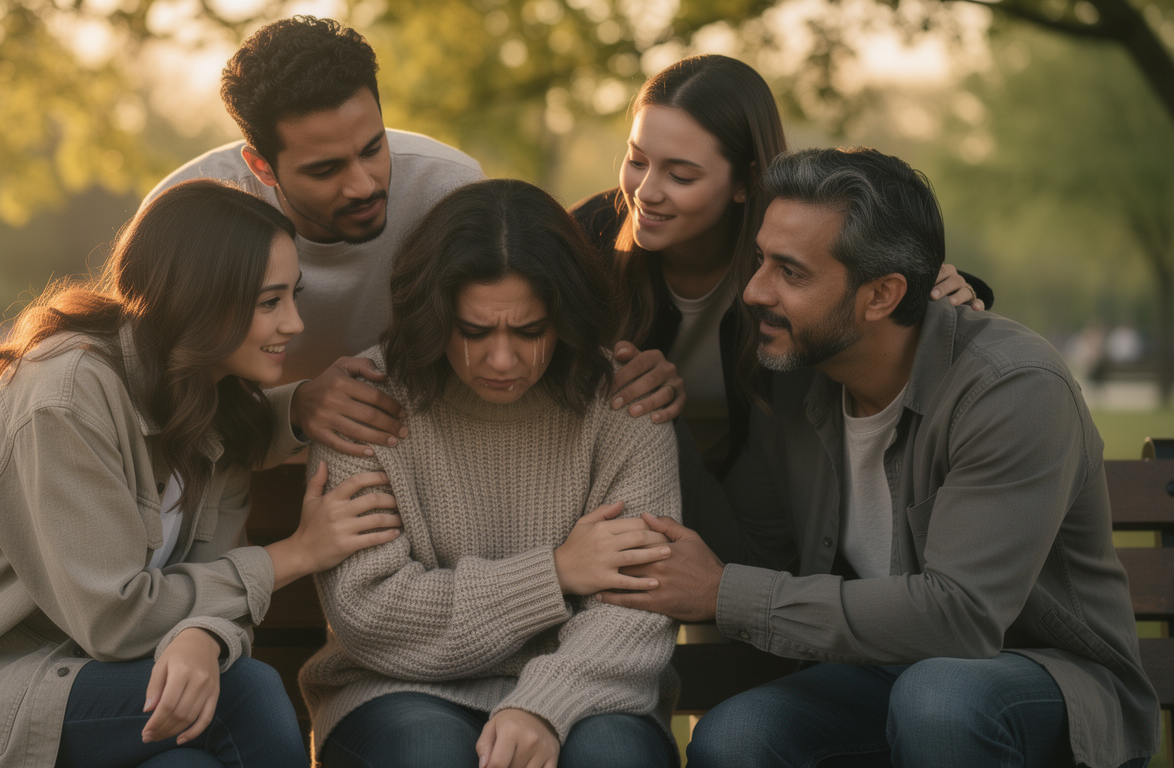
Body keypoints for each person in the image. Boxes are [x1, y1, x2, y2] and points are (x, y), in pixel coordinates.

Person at [598, 148, 1159, 768]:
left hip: (1045, 678)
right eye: (761, 260)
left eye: (790, 272)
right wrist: (658, 421)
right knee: (737, 737)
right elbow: (750, 556)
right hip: (882, 671)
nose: (754, 291)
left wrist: (727, 593)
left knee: (940, 699)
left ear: (882, 295)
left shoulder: (1013, 388)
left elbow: (961, 618)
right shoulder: (792, 381)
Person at [0, 179, 403, 768]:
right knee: (247, 694)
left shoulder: (219, 404)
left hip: (92, 686)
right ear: (197, 298)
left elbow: (216, 585)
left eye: (293, 296)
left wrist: (202, 636)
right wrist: (295, 554)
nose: (294, 324)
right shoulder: (65, 397)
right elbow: (114, 619)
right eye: (269, 302)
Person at [299, 179, 681, 768]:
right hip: (398, 691)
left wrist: (543, 704)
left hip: (591, 692)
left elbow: (638, 609)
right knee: (430, 754)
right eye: (474, 331)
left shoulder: (625, 404)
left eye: (530, 332)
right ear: (433, 315)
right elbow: (371, 615)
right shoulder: (366, 403)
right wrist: (554, 574)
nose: (502, 361)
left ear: (567, 316)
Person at [571, 54, 991, 475]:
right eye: (637, 160)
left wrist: (940, 288)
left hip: (757, 504)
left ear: (747, 180)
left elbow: (871, 300)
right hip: (617, 483)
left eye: (680, 176)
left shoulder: (796, 241)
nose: (644, 192)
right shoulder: (585, 238)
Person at [145, 16, 485, 458]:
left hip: (420, 459)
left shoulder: (451, 191)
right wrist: (295, 405)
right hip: (234, 466)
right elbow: (154, 392)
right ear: (261, 166)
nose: (363, 185)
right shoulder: (188, 215)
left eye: (373, 148)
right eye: (325, 169)